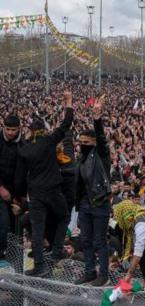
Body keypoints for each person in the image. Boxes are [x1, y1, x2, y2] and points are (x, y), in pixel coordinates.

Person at [16, 90, 73, 277]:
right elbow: (65, 125)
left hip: (36, 194)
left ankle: (39, 266)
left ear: (31, 132)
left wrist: (20, 197)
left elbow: (21, 171)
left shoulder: (26, 149)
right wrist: (69, 102)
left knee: (37, 231)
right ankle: (57, 250)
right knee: (64, 216)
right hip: (53, 190)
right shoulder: (49, 141)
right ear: (43, 131)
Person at [75, 95, 112, 287]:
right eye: (80, 141)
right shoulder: (80, 159)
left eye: (87, 142)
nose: (83, 144)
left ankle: (103, 274)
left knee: (99, 242)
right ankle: (89, 272)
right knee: (85, 240)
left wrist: (97, 117)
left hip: (99, 203)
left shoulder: (101, 156)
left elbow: (101, 138)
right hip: (85, 204)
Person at [0, 114, 23, 268]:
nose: (9, 133)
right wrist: (1, 188)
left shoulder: (23, 144)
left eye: (13, 130)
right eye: (7, 129)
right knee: (3, 224)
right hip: (1, 190)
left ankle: (13, 263)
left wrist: (19, 197)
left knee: (15, 230)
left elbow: (24, 172)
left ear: (18, 129)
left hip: (15, 195)